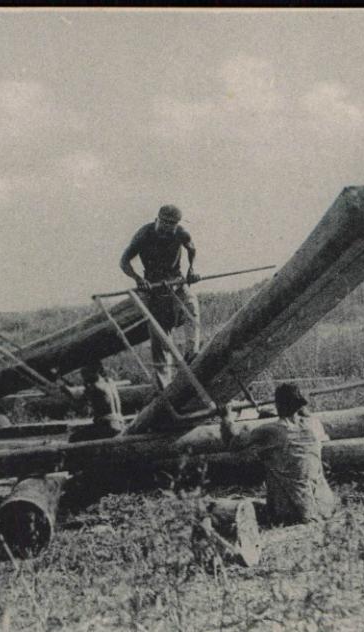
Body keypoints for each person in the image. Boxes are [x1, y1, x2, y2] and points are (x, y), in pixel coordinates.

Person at [218, 383, 336, 526]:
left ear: (278, 405)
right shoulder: (314, 425)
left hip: (297, 513)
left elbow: (233, 444)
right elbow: (302, 417)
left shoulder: (271, 431)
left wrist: (226, 418)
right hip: (325, 507)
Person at [119, 204, 203, 388]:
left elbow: (192, 249)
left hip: (176, 281)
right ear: (157, 219)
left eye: (171, 224)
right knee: (159, 335)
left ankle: (192, 352)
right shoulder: (143, 235)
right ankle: (163, 388)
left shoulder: (181, 233)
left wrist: (192, 269)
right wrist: (138, 278)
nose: (167, 227)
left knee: (191, 305)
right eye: (164, 222)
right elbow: (124, 261)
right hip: (154, 287)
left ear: (177, 224)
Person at [68, 361, 125, 442]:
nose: (82, 377)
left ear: (92, 372)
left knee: (73, 438)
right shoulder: (110, 382)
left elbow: (79, 403)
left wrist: (63, 388)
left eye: (84, 374)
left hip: (107, 427)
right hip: (120, 424)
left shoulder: (94, 387)